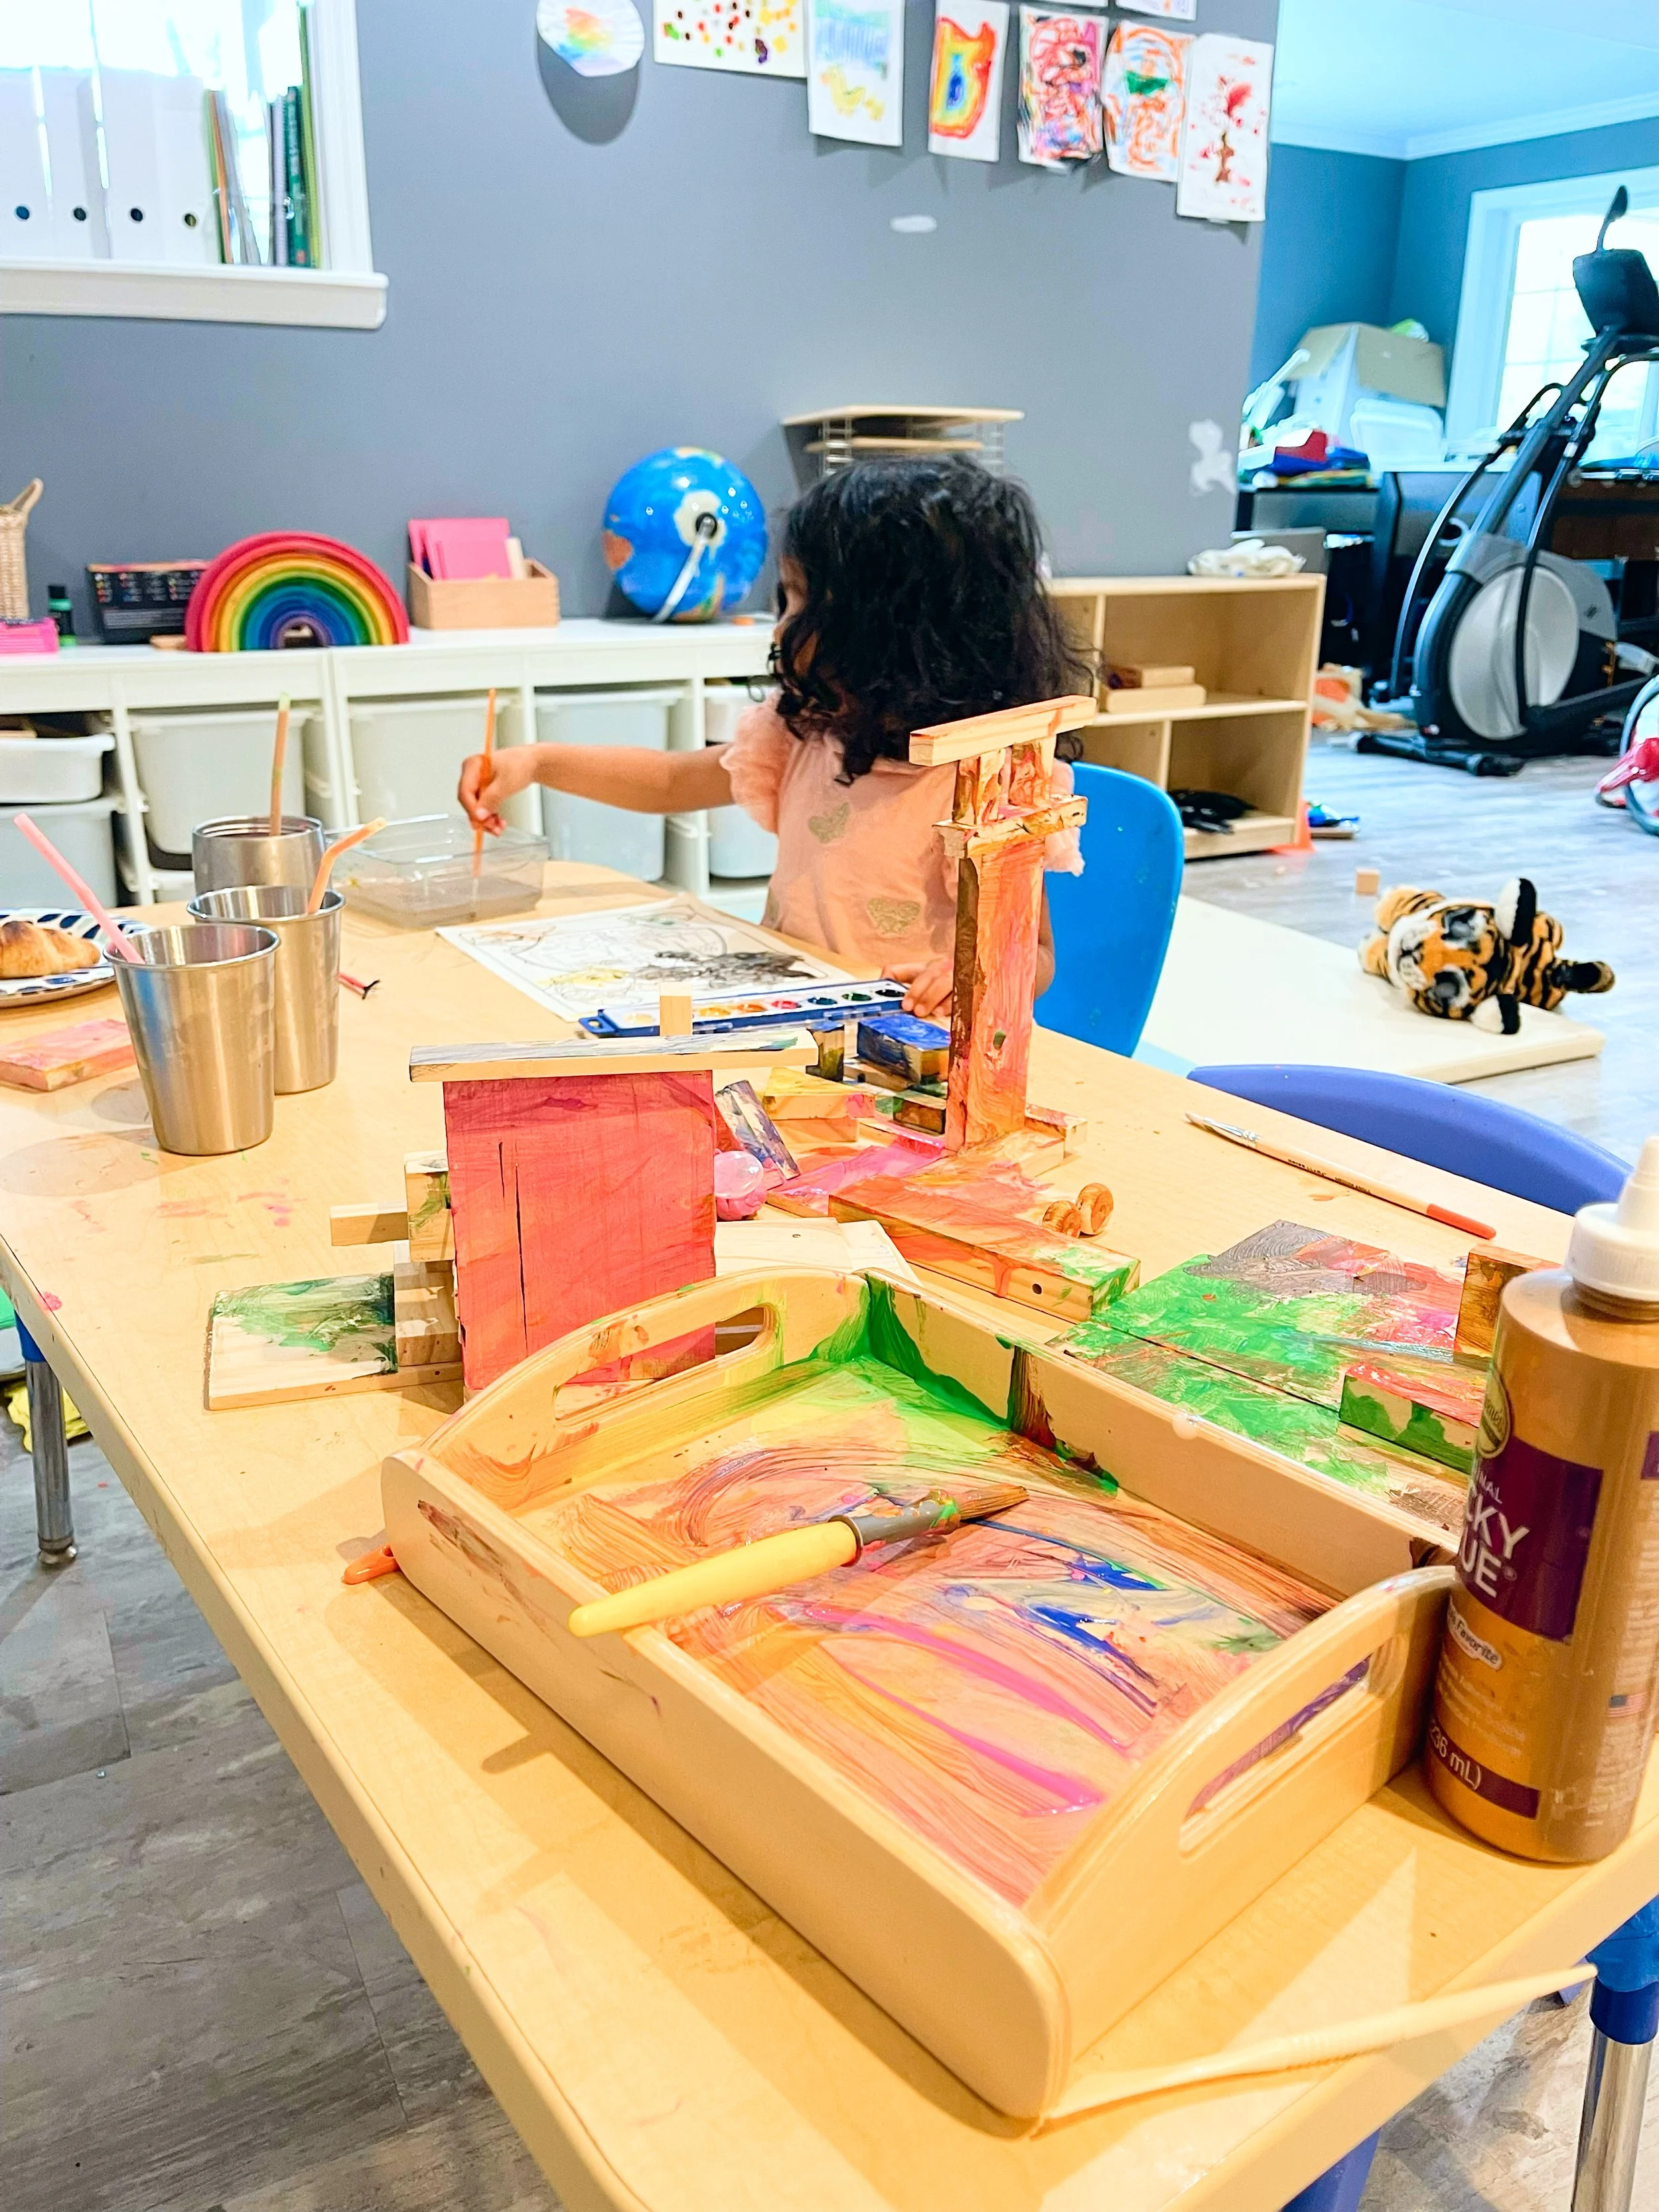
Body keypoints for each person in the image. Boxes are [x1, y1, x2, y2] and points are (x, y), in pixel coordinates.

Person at [458, 458, 1090, 1017]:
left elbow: (1032, 952)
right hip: (794, 1031)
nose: (779, 626)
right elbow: (672, 778)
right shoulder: (809, 732)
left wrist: (971, 975)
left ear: (892, 632)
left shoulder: (987, 782)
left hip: (912, 1055)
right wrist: (537, 761)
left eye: (797, 602)